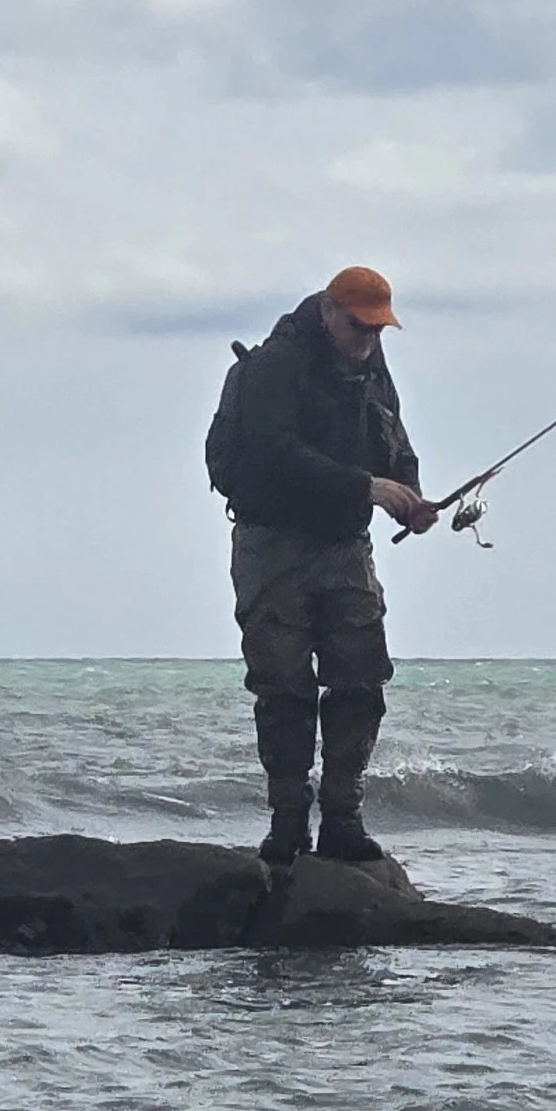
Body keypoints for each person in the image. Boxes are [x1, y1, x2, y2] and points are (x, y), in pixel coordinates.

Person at [206, 265, 438, 865]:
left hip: (344, 547)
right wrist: (366, 487)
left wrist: (409, 499)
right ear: (330, 312)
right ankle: (287, 823)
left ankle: (343, 819)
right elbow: (274, 456)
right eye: (360, 327)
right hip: (273, 545)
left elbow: (393, 440)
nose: (369, 340)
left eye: (379, 330)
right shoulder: (277, 366)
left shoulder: (370, 366)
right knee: (283, 689)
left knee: (361, 681)